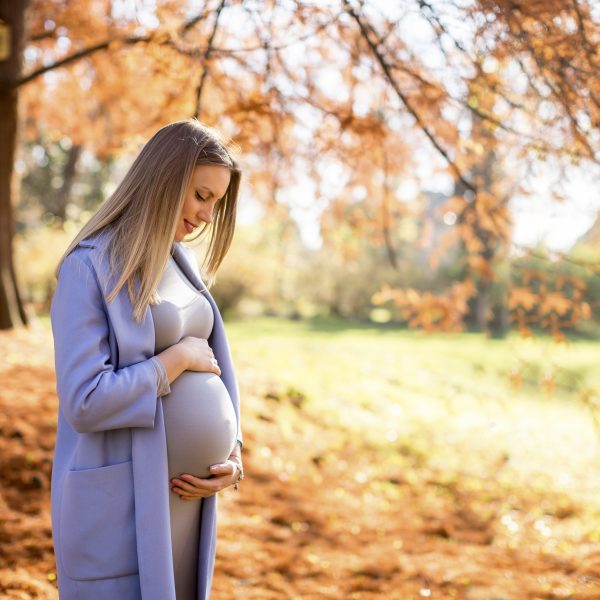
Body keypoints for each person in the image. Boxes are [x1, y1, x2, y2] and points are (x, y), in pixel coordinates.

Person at [49, 118, 244, 600]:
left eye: (214, 204)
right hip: (123, 506)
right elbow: (85, 401)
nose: (204, 216)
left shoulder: (182, 263)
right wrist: (172, 361)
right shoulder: (87, 268)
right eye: (200, 195)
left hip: (185, 501)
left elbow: (216, 365)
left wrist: (232, 454)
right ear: (164, 177)